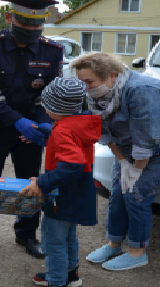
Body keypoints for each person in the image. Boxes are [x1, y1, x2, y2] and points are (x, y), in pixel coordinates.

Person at [70, 52, 160, 271]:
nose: (84, 87)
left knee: (136, 193)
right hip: (129, 148)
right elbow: (104, 131)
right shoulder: (97, 93)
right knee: (117, 193)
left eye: (89, 82)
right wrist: (124, 162)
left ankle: (137, 252)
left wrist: (136, 171)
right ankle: (113, 243)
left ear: (112, 75)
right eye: (81, 81)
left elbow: (150, 137)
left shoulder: (141, 91)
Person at [0, 0, 63, 259]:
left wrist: (43, 122)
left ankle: (27, 234)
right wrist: (16, 120)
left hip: (31, 130)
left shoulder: (52, 51)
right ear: (10, 18)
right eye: (25, 22)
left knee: (30, 181)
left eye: (37, 23)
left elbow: (51, 93)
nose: (31, 29)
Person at [19, 77, 101, 287]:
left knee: (54, 240)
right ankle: (70, 275)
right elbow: (72, 141)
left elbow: (72, 164)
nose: (44, 108)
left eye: (47, 104)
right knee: (68, 236)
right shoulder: (79, 124)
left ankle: (57, 280)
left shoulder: (63, 130)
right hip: (78, 192)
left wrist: (42, 182)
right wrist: (48, 132)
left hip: (61, 195)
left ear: (58, 107)